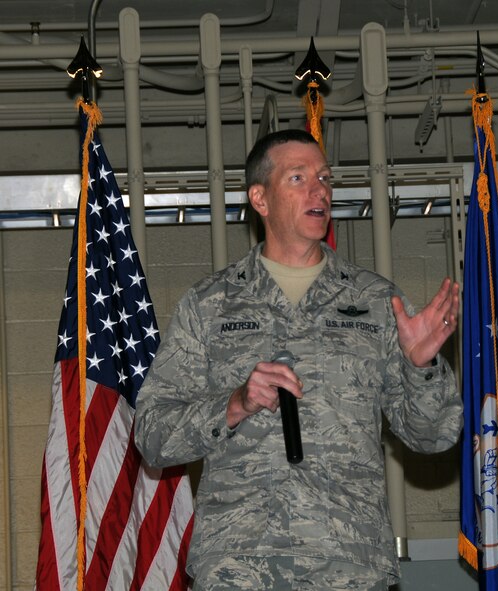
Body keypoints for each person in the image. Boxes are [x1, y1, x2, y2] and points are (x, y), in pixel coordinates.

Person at [134, 128, 462, 590]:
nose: (319, 190)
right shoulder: (210, 304)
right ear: (260, 199)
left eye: (325, 178)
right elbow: (152, 435)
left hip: (349, 563)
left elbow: (435, 436)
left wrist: (421, 367)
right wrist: (233, 405)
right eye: (298, 178)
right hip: (239, 566)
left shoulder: (374, 300)